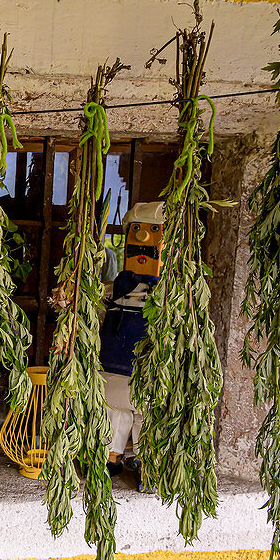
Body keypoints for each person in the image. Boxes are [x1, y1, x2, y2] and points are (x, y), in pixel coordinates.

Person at [98, 201, 165, 493]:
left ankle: (144, 463)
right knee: (115, 411)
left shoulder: (167, 296)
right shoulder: (117, 289)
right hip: (112, 366)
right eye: (136, 230)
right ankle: (110, 457)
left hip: (144, 371)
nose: (143, 239)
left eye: (153, 230)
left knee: (144, 415)